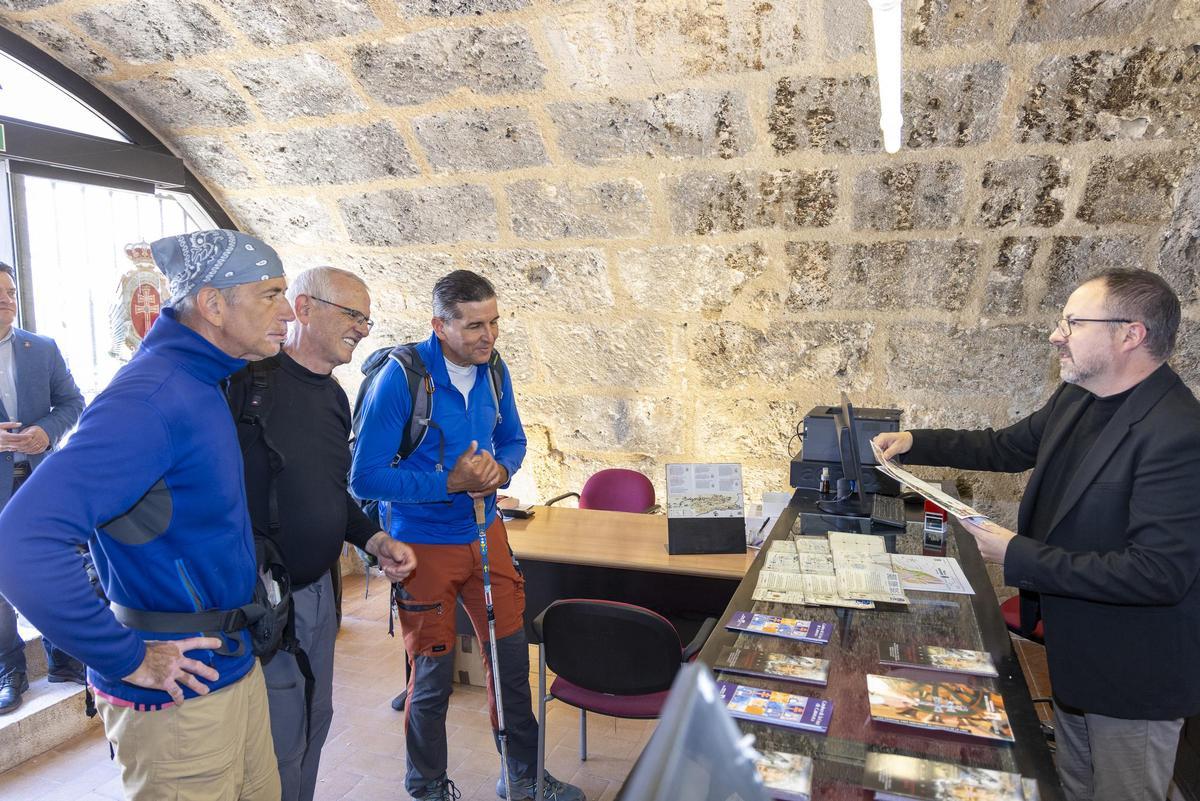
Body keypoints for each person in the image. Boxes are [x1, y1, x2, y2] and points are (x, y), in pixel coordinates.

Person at [875, 268, 1200, 801]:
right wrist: (913, 440)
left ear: (1130, 334)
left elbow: (1158, 574)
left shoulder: (1178, 434)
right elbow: (1003, 447)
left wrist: (1013, 553)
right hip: (1076, 653)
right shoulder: (1077, 398)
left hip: (1134, 672)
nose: (1056, 334)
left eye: (1073, 322)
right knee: (1073, 785)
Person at [0, 230, 295, 801]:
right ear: (212, 304)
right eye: (270, 293)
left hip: (228, 666)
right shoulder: (149, 399)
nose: (287, 311)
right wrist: (126, 657)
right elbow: (20, 544)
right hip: (179, 698)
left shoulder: (200, 380)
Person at [350, 270, 584, 801]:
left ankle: (523, 777)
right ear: (440, 325)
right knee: (431, 681)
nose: (490, 335)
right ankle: (428, 785)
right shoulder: (401, 379)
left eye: (495, 321)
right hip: (421, 547)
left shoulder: (494, 369)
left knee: (510, 667)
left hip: (487, 536)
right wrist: (447, 482)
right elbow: (363, 476)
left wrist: (500, 472)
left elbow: (513, 440)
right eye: (475, 324)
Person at [227, 266, 417, 801]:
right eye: (351, 314)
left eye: (366, 318)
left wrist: (373, 539)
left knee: (317, 716)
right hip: (264, 601)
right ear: (304, 308)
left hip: (318, 594)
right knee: (281, 732)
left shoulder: (333, 396)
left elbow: (332, 490)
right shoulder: (245, 385)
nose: (362, 328)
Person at [0, 262, 86, 714]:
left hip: (39, 481)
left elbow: (73, 402)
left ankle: (65, 659)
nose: (7, 300)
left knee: (56, 568)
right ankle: (8, 668)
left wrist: (48, 431)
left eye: (11, 292)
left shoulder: (41, 347)